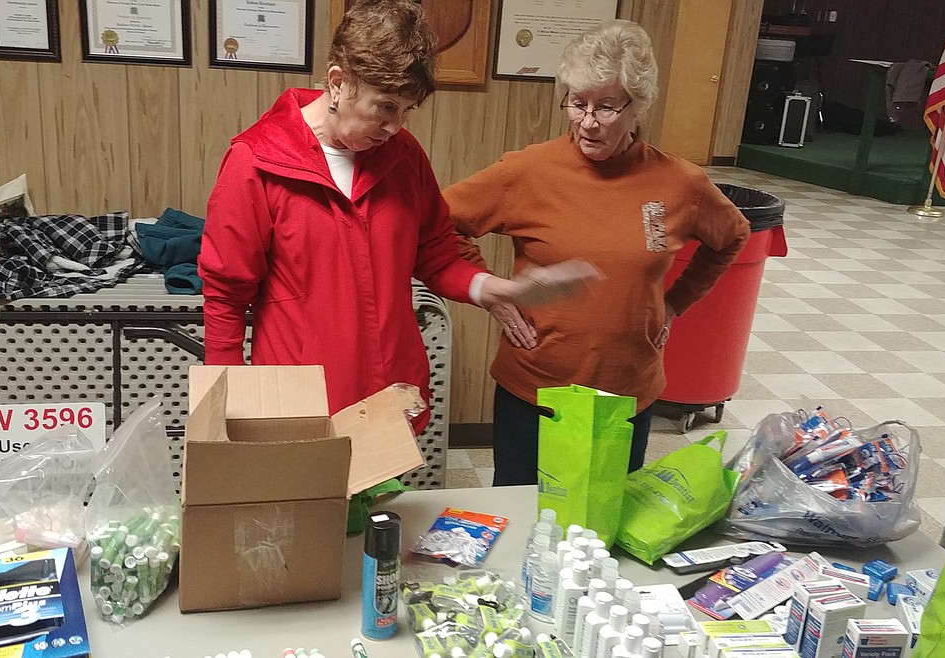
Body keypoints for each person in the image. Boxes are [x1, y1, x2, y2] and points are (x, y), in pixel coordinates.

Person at [198, 0, 596, 431]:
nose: (395, 127)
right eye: (386, 106)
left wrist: (500, 289)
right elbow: (226, 291)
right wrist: (227, 392)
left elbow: (436, 251)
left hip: (389, 389)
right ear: (337, 82)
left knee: (383, 499)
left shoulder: (403, 157)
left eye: (407, 110)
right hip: (300, 396)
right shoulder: (257, 161)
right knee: (308, 498)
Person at [446, 20, 751, 486]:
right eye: (577, 102)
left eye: (606, 107)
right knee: (528, 516)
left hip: (626, 388)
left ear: (638, 105)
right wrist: (493, 293)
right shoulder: (526, 172)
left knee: (603, 524)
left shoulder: (680, 184)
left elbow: (731, 237)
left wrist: (674, 304)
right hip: (536, 387)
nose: (587, 121)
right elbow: (437, 224)